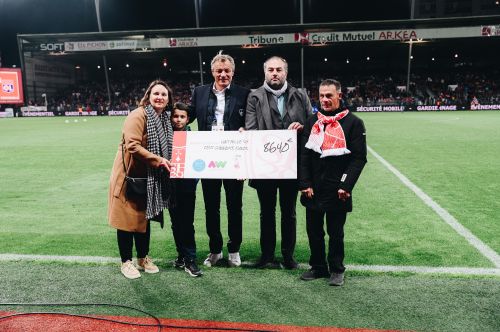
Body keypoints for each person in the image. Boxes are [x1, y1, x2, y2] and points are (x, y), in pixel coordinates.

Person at [245, 56, 312, 269]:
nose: (275, 73)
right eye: (271, 70)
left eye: (279, 70)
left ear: (286, 72)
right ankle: (266, 255)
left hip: (291, 166)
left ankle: (288, 255)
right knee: (267, 212)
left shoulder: (301, 95)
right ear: (265, 72)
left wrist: (302, 127)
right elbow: (251, 129)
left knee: (289, 211)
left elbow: (312, 126)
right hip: (265, 165)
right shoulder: (254, 96)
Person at [299, 79, 367, 286]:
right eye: (321, 96)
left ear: (339, 95)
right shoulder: (312, 122)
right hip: (313, 188)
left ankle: (337, 269)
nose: (325, 100)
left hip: (338, 189)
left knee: (336, 233)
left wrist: (345, 185)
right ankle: (318, 267)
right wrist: (305, 183)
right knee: (314, 231)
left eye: (329, 95)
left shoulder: (354, 123)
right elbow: (304, 156)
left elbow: (358, 158)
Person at [108, 80, 175, 279]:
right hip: (128, 176)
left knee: (143, 219)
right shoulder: (138, 115)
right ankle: (126, 262)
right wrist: (159, 160)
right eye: (156, 93)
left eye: (164, 94)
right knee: (126, 221)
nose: (160, 97)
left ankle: (143, 257)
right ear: (148, 95)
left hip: (148, 177)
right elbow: (133, 146)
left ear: (168, 99)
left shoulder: (164, 119)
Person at [189, 51, 250, 268]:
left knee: (235, 206)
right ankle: (215, 250)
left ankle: (234, 249)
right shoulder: (199, 92)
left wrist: (247, 129)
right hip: (208, 158)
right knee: (211, 206)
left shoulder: (245, 93)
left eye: (227, 71)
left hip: (234, 157)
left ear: (233, 72)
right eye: (219, 71)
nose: (223, 74)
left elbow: (252, 121)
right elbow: (185, 116)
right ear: (212, 72)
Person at [169, 102, 202, 277]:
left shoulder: (194, 138)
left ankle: (190, 259)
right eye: (175, 116)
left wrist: (194, 179)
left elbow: (199, 162)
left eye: (182, 116)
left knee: (187, 222)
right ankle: (181, 255)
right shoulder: (166, 136)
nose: (179, 119)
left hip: (187, 185)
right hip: (170, 185)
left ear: (188, 119)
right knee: (176, 222)